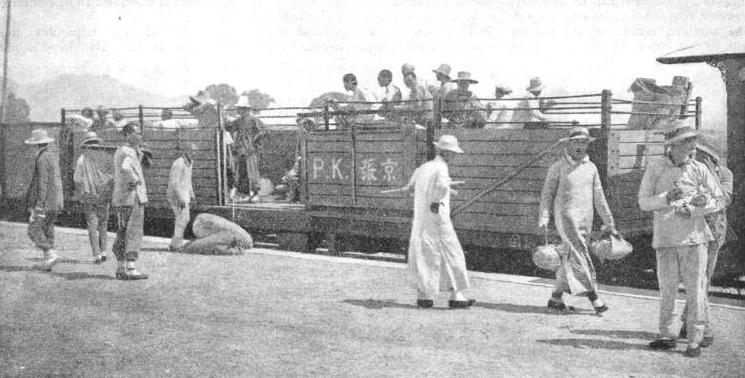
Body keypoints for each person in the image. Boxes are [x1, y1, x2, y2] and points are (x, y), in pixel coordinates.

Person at [639, 121, 723, 358]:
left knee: (696, 290)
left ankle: (694, 341)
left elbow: (718, 199)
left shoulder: (699, 169)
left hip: (695, 240)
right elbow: (643, 202)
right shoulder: (656, 168)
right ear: (673, 146)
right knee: (667, 291)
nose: (692, 145)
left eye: (692, 141)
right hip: (665, 239)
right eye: (687, 141)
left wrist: (699, 207)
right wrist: (666, 198)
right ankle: (667, 335)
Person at [538, 127, 615, 314]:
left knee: (572, 256)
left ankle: (556, 297)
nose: (580, 146)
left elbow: (599, 196)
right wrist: (544, 217)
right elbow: (547, 195)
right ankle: (595, 298)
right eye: (577, 142)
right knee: (579, 255)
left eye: (584, 143)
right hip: (565, 219)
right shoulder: (557, 168)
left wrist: (608, 220)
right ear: (568, 144)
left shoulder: (591, 168)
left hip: (585, 220)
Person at [401, 135, 474, 309]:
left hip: (421, 219)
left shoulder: (422, 168)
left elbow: (410, 189)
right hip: (438, 218)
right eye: (453, 153)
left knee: (423, 253)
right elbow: (441, 187)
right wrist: (435, 201)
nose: (454, 156)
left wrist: (441, 192)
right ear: (446, 153)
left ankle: (424, 296)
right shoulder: (442, 167)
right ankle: (457, 296)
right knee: (451, 253)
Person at [677, 134, 732, 347]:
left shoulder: (725, 175)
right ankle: (689, 325)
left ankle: (703, 329)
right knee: (697, 281)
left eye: (701, 154)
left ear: (711, 157)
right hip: (690, 233)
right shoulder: (688, 172)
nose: (696, 156)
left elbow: (724, 199)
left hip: (713, 234)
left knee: (701, 281)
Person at [111, 122, 149, 280]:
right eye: (137, 133)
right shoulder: (129, 152)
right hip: (133, 197)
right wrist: (135, 180)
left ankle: (120, 267)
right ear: (129, 134)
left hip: (121, 199)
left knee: (122, 231)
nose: (140, 135)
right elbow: (126, 168)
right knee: (133, 231)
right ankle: (131, 268)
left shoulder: (122, 150)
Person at [24, 128, 64, 271]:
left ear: (35, 145)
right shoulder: (51, 156)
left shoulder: (41, 158)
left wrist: (39, 206)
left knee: (34, 230)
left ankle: (50, 254)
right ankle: (48, 261)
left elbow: (43, 183)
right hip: (55, 201)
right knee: (48, 229)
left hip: (45, 203)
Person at [73, 131, 114, 264]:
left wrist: (80, 195)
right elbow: (111, 176)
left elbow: (77, 179)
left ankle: (96, 254)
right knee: (103, 223)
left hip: (89, 195)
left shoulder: (81, 159)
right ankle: (103, 252)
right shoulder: (104, 157)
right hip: (103, 194)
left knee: (92, 224)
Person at [226, 95, 267, 201]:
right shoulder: (239, 121)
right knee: (242, 171)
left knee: (252, 170)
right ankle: (245, 193)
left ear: (246, 110)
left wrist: (254, 140)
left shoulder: (254, 120)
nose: (239, 111)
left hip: (250, 149)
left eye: (241, 109)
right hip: (240, 148)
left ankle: (255, 192)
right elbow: (230, 127)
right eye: (239, 109)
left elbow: (264, 130)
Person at [177, 213, 253, 255]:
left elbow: (206, 243)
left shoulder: (199, 223)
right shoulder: (201, 219)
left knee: (203, 245)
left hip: (237, 238)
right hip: (240, 238)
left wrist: (186, 248)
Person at [167, 142, 196, 250]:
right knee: (182, 219)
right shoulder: (179, 163)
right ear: (186, 151)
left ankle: (176, 244)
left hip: (184, 195)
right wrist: (180, 198)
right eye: (192, 150)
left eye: (195, 151)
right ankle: (175, 245)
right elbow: (174, 183)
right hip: (177, 196)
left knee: (183, 219)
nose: (194, 153)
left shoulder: (189, 163)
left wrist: (191, 195)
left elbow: (188, 181)